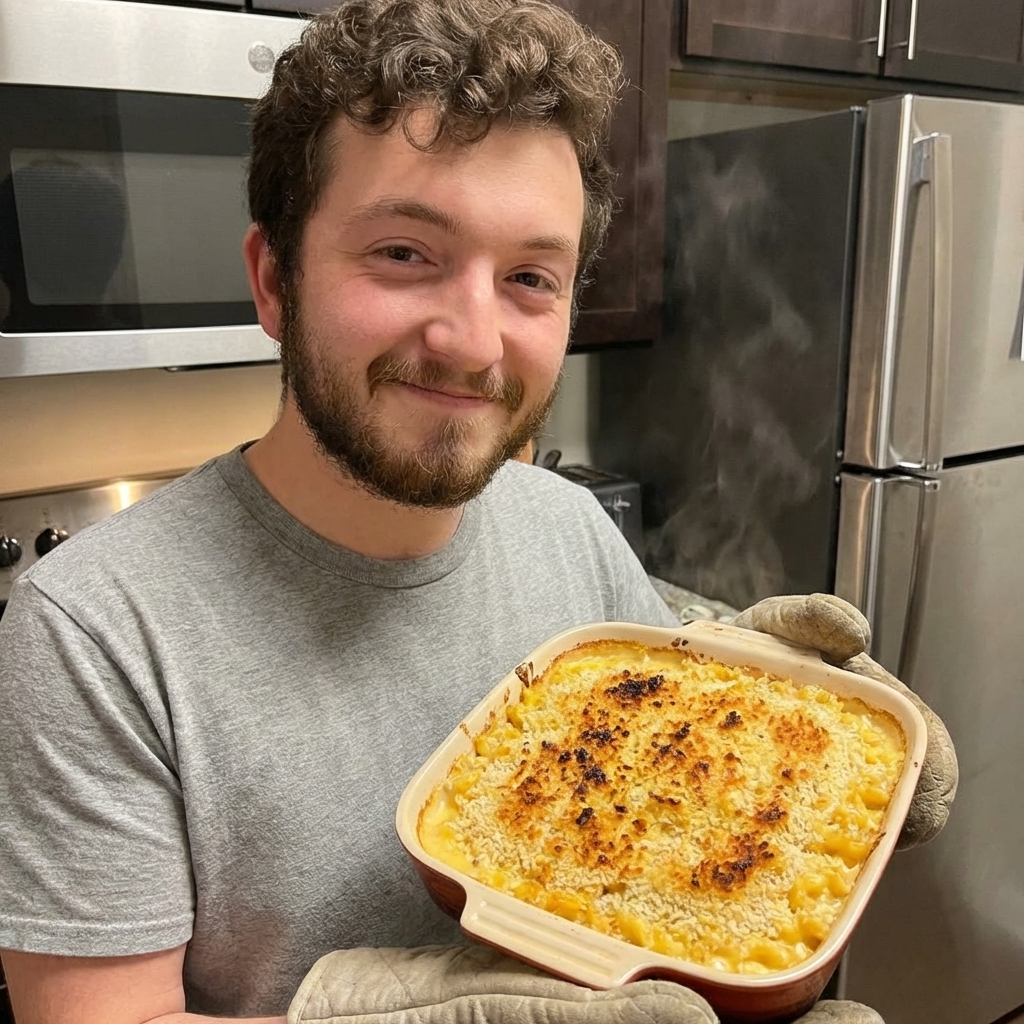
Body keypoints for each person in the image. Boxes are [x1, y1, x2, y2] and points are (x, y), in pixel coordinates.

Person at [0, 2, 957, 1023]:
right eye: (404, 253)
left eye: (529, 279)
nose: (472, 341)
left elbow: (670, 807)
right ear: (276, 280)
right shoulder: (91, 633)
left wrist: (794, 737)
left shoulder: (566, 523)